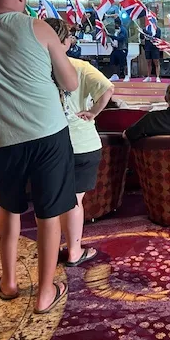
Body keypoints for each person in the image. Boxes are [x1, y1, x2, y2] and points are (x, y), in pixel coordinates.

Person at [0, 0, 78, 314]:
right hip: (48, 133)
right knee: (49, 212)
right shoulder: (38, 27)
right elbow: (71, 83)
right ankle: (45, 293)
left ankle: (9, 282)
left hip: (2, 139)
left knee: (9, 206)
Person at [45, 18, 114, 266]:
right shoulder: (80, 66)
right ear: (65, 41)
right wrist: (93, 112)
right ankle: (74, 251)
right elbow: (108, 88)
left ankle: (55, 250)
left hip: (47, 144)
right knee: (74, 201)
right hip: (82, 143)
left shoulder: (34, 68)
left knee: (53, 201)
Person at [108, 18, 128, 82]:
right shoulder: (116, 31)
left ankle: (126, 76)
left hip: (122, 48)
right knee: (113, 61)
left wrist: (111, 36)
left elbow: (121, 38)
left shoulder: (123, 30)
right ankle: (115, 75)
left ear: (117, 23)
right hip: (115, 48)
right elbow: (115, 40)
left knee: (123, 63)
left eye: (115, 23)